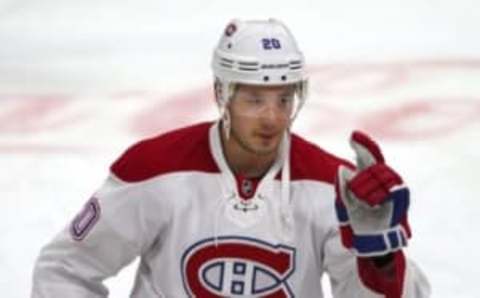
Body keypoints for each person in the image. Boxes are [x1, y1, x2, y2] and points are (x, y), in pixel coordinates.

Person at [32, 19, 430, 297]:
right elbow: (66, 268)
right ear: (222, 94)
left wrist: (379, 256)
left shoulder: (332, 189)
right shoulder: (153, 170)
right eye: (255, 99)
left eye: (284, 99)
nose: (273, 117)